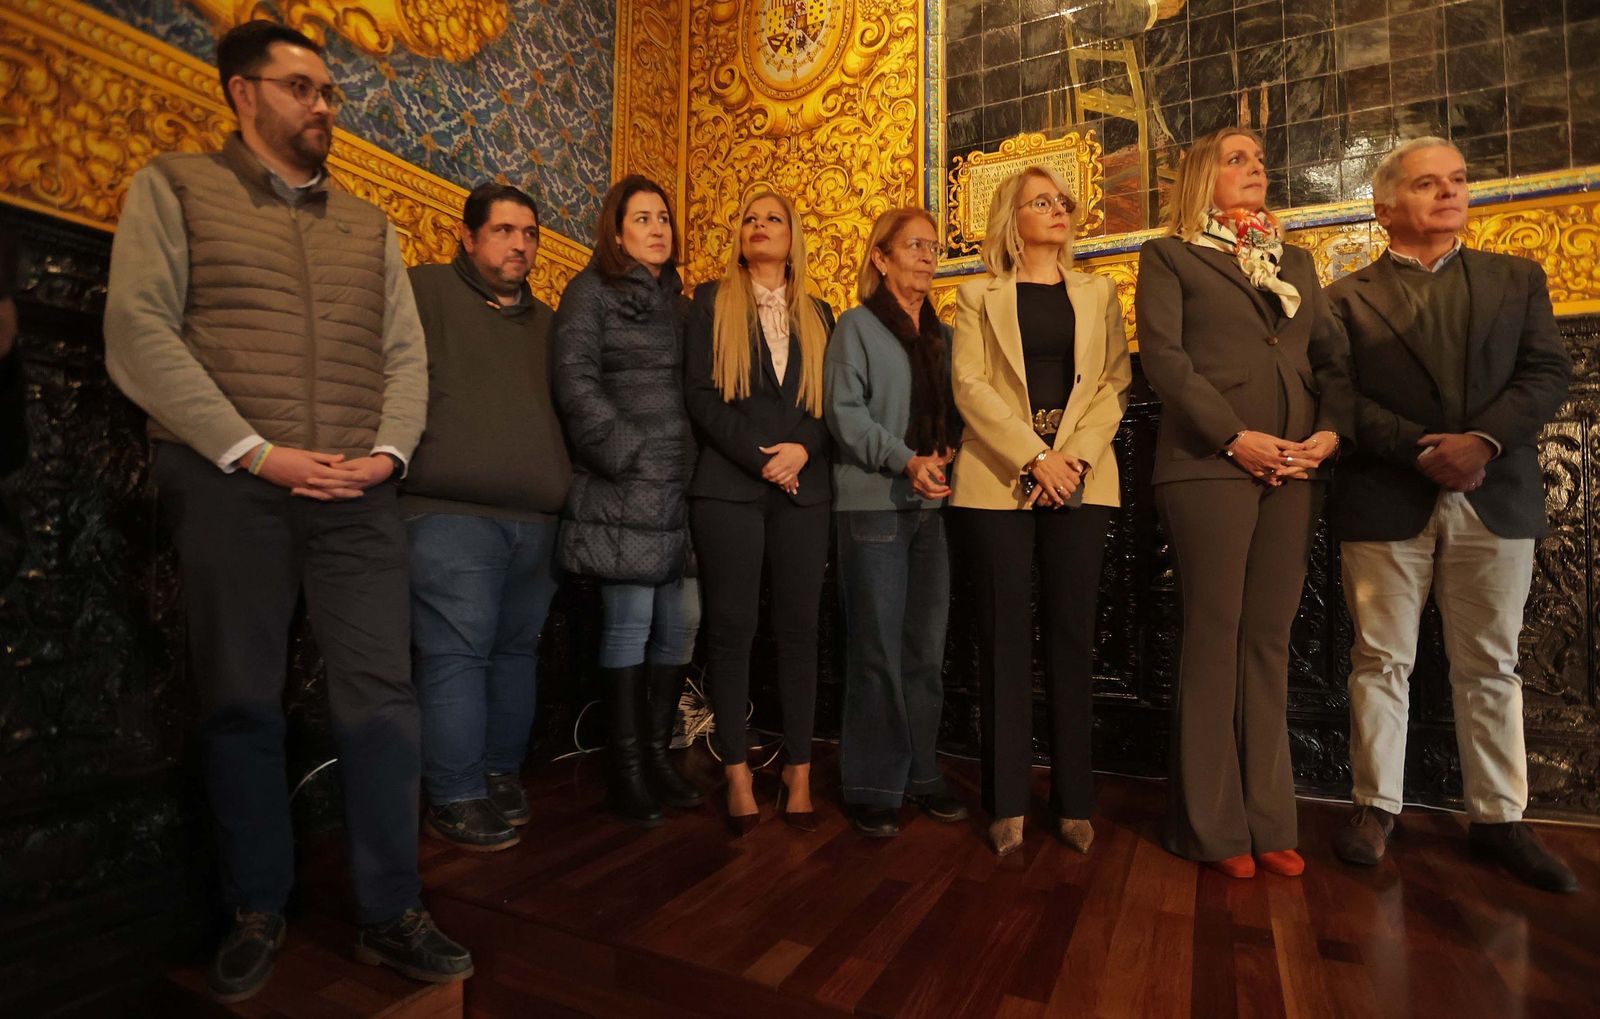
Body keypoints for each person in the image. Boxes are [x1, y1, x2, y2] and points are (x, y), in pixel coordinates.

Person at [102, 22, 470, 1003]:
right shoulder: (173, 186)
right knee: (240, 704)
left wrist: (386, 454)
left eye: (329, 92)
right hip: (234, 486)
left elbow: (405, 355)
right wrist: (256, 452)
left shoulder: (369, 222)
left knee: (382, 703)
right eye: (301, 87)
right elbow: (138, 329)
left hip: (356, 494)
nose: (322, 105)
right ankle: (256, 907)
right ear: (243, 94)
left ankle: (392, 910)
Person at [1324, 138, 1575, 892]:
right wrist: (1426, 450)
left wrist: (1483, 442)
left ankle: (1499, 817)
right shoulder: (1344, 297)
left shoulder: (1517, 278)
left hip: (1494, 497)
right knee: (1380, 661)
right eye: (1428, 183)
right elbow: (1338, 395)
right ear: (1385, 206)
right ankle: (1376, 806)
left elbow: (1548, 371)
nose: (1450, 193)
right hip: (1384, 495)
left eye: (1458, 181)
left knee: (1491, 665)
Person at [1135, 126, 1352, 879]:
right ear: (1203, 177)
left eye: (1259, 161)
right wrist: (1234, 437)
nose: (1255, 169)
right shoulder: (1170, 254)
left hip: (1296, 468)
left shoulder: (1295, 262)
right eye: (1236, 160)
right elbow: (1164, 357)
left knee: (1267, 639)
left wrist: (1327, 432)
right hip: (1208, 466)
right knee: (1215, 634)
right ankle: (1211, 827)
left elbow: (1329, 361)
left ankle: (1270, 818)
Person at [948, 166, 1131, 857]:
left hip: (1082, 475)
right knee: (1002, 639)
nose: (1057, 210)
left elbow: (1114, 380)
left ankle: (1074, 799)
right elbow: (969, 383)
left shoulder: (1099, 291)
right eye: (1040, 202)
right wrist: (1034, 457)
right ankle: (1005, 803)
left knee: (1072, 638)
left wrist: (1072, 459)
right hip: (999, 478)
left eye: (1061, 201)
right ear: (1012, 216)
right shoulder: (976, 294)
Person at [403, 183, 571, 852]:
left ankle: (498, 774)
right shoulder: (423, 292)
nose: (519, 244)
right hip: (449, 512)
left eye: (529, 232)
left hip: (537, 519)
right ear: (468, 237)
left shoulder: (551, 322)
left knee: (514, 652)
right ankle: (456, 793)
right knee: (457, 653)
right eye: (503, 230)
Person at [551, 174, 703, 828]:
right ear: (616, 231)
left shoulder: (682, 303)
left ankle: (658, 753)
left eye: (664, 217)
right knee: (630, 624)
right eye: (643, 218)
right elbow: (574, 383)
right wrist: (629, 455)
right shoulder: (590, 293)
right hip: (627, 486)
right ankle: (627, 768)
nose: (658, 228)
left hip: (683, 491)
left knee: (683, 622)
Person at [685, 192, 835, 835]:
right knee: (732, 630)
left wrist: (802, 449)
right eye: (748, 218)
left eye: (772, 218)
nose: (759, 226)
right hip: (728, 488)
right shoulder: (710, 301)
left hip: (805, 489)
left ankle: (799, 768)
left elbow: (833, 404)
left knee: (800, 630)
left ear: (792, 234)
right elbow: (699, 394)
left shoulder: (823, 313)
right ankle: (738, 772)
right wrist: (758, 457)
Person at [824, 207, 966, 838]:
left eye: (934, 247)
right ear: (880, 258)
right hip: (873, 506)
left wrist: (946, 459)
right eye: (915, 245)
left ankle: (921, 773)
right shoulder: (855, 327)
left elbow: (960, 413)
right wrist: (906, 460)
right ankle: (874, 784)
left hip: (930, 511)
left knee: (924, 653)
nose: (929, 256)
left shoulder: (943, 333)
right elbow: (845, 417)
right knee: (876, 650)